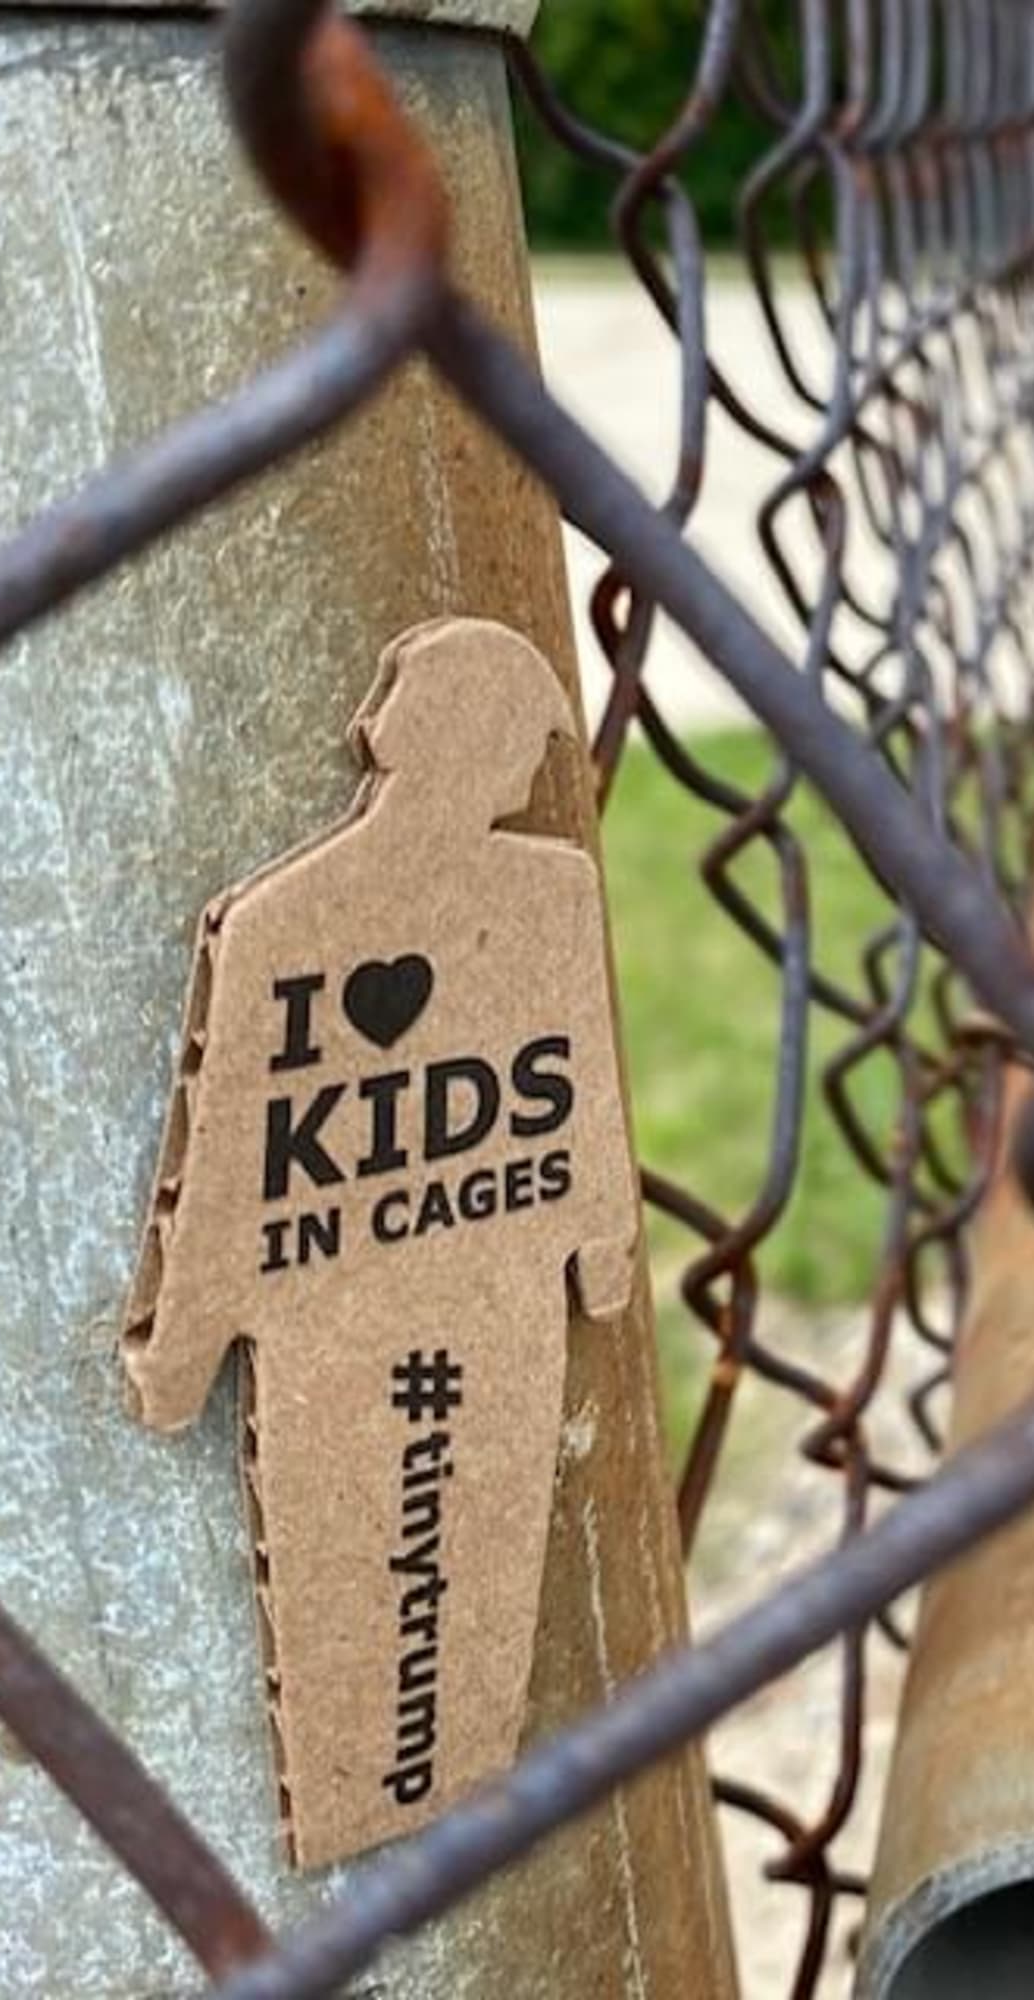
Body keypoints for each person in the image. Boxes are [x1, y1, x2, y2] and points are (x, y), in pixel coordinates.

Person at [121, 617, 637, 1867]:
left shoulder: (536, 895)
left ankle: (426, 1781)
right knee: (367, 1597)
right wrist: (182, 1353)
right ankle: (386, 1797)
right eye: (519, 744)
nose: (528, 776)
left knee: (476, 1562)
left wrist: (601, 1243)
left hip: (470, 1306)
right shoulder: (290, 925)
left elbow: (571, 1089)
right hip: (368, 1325)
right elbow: (242, 1141)